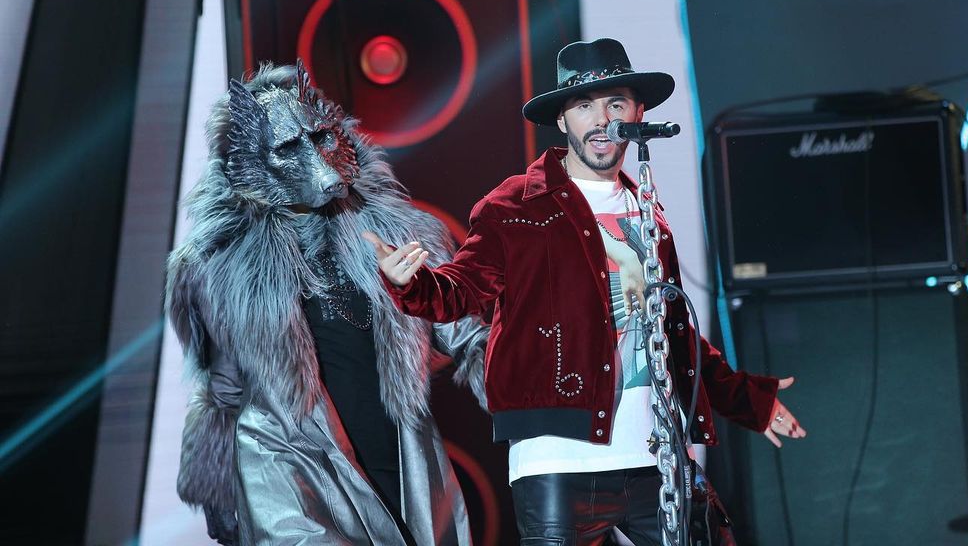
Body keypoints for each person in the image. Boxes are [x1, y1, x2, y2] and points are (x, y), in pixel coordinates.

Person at [363, 39, 806, 545]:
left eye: (615, 103)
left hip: (656, 457)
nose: (601, 119)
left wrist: (748, 400)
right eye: (584, 106)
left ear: (638, 113)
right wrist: (411, 282)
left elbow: (669, 332)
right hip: (559, 463)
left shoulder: (646, 212)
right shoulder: (516, 206)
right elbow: (459, 291)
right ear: (562, 120)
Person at [167, 62, 487, 546]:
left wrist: (539, 412)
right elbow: (222, 388)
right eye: (288, 147)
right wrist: (216, 492)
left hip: (402, 463)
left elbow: (466, 334)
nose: (317, 161)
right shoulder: (214, 265)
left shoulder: (402, 232)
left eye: (320, 137)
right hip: (290, 473)